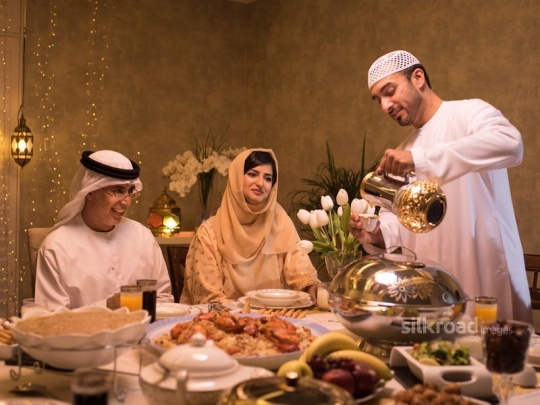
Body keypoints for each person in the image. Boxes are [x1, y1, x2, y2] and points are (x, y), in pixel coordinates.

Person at [350, 50, 532, 323]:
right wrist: (375, 234)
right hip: (433, 288)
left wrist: (420, 160)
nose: (385, 106)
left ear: (418, 78)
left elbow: (510, 144)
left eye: (389, 92)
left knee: (492, 346)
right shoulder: (404, 150)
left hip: (483, 272)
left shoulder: (469, 113)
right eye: (378, 100)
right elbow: (400, 219)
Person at [35, 150, 174, 309]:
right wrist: (106, 306)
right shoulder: (56, 247)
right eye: (118, 191)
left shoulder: (143, 237)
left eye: (130, 191)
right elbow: (52, 318)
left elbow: (163, 299)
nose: (127, 202)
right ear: (90, 191)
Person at [180, 148, 321, 304]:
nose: (260, 183)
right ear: (236, 178)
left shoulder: (279, 220)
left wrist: (310, 286)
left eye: (268, 178)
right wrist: (247, 314)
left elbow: (299, 268)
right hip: (226, 317)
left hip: (273, 314)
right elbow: (209, 298)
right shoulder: (209, 232)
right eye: (252, 174)